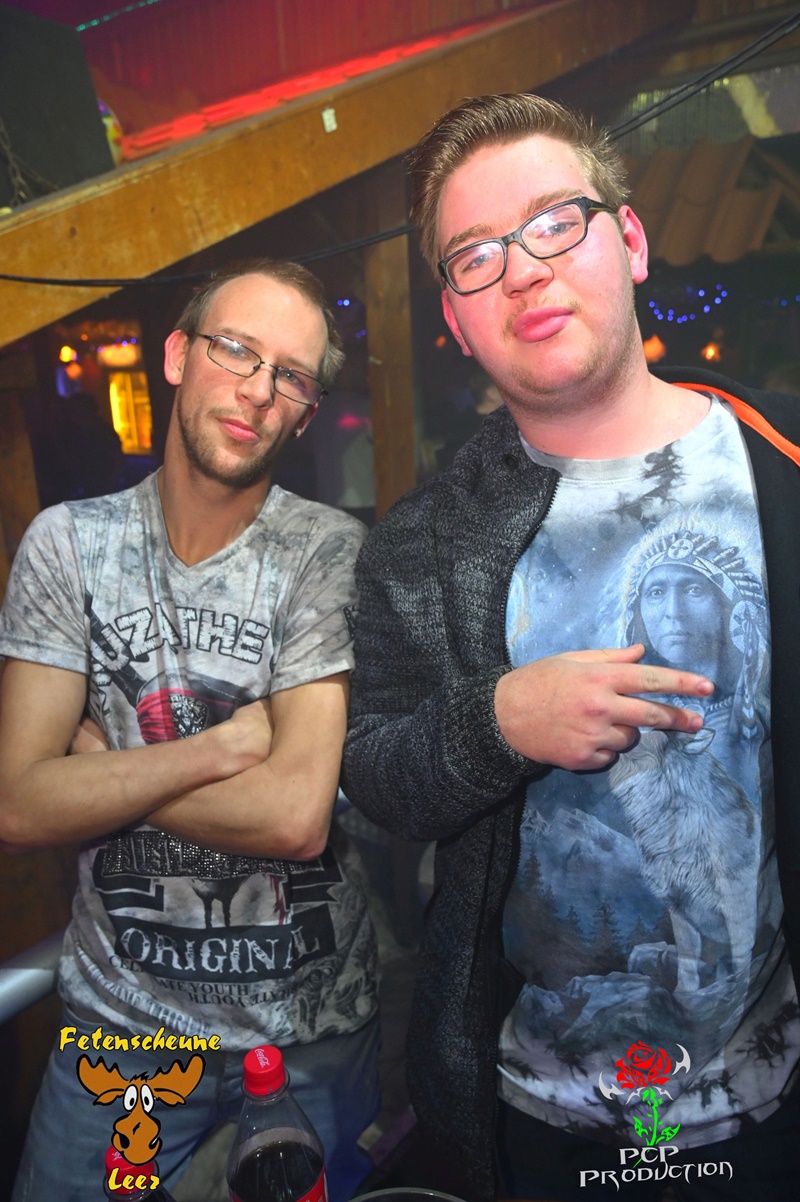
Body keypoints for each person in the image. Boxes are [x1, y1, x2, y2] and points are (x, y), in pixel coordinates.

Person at [342, 93, 800, 1202]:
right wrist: (495, 722)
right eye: (477, 254)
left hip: (773, 1098)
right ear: (455, 318)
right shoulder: (422, 540)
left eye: (556, 221)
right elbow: (372, 779)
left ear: (628, 239)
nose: (524, 271)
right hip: (535, 1119)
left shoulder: (781, 459)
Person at [0, 258, 379, 1202]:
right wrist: (219, 749)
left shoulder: (327, 551)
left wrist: (104, 773)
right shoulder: (69, 545)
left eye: (291, 376)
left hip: (308, 1035)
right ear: (177, 356)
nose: (258, 389)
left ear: (305, 412)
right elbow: (18, 802)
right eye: (236, 349)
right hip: (121, 1036)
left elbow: (295, 817)